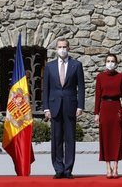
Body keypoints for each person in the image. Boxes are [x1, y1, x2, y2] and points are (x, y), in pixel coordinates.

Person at [43, 38, 85, 179]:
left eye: (64, 46)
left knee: (70, 138)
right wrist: (46, 108)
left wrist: (80, 106)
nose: (62, 49)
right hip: (54, 106)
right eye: (60, 47)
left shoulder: (76, 65)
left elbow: (81, 87)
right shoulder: (49, 66)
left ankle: (68, 169)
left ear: (69, 48)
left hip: (70, 105)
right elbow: (46, 89)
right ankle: (58, 168)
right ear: (56, 49)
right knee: (56, 138)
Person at [94, 54, 122, 179]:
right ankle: (108, 167)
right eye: (108, 61)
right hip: (104, 108)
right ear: (105, 63)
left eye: (112, 61)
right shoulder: (100, 77)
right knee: (106, 138)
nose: (110, 63)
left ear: (116, 63)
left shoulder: (121, 77)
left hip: (116, 108)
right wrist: (96, 113)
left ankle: (116, 167)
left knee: (117, 138)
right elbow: (97, 96)